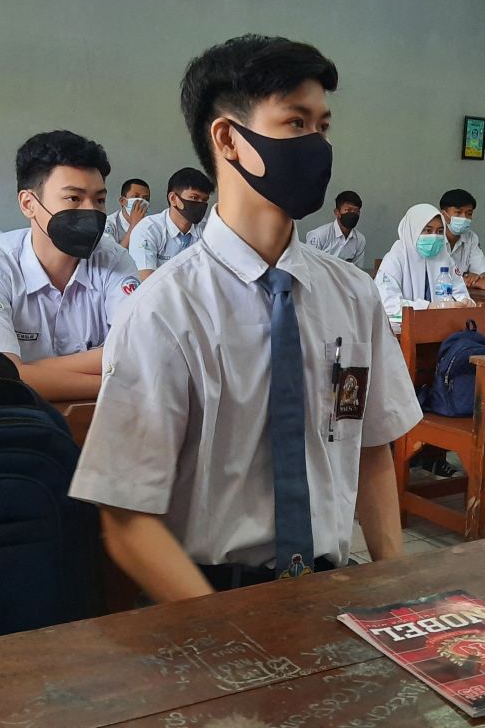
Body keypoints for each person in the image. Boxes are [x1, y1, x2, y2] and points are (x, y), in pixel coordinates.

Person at [69, 34, 420, 602]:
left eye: (323, 127)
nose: (317, 145)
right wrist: (230, 631)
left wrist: (394, 588)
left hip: (332, 591)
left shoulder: (354, 296)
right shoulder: (166, 310)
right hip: (212, 599)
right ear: (229, 139)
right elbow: (125, 517)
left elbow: (372, 450)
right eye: (296, 124)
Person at [0, 130, 140, 401]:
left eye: (99, 199)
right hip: (4, 420)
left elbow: (139, 351)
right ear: (29, 204)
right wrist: (116, 384)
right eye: (73, 198)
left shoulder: (113, 259)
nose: (91, 211)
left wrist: (25, 371)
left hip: (95, 420)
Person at [376, 204, 474, 315]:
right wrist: (429, 307)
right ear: (412, 230)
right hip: (402, 328)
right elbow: (388, 304)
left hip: (441, 324)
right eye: (428, 231)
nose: (434, 236)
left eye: (439, 231)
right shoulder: (395, 259)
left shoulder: (445, 258)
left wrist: (465, 302)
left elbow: (459, 292)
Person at [128, 167, 213, 279]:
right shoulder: (148, 230)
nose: (200, 204)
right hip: (158, 295)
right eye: (194, 198)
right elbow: (146, 282)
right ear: (173, 199)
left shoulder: (207, 229)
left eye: (204, 200)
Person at [438, 188, 485, 291]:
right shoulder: (434, 238)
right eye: (458, 212)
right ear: (444, 215)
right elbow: (437, 279)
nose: (464, 217)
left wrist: (480, 279)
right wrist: (468, 280)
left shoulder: (471, 237)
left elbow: (484, 274)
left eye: (469, 213)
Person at [305, 190, 365, 267]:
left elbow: (357, 271)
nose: (353, 214)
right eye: (348, 210)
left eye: (356, 211)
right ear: (337, 212)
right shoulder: (319, 235)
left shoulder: (360, 240)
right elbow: (308, 266)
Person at [103, 178, 151, 247]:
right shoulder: (109, 224)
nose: (141, 201)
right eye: (135, 196)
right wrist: (133, 225)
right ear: (122, 201)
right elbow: (112, 256)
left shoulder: (151, 224)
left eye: (146, 199)